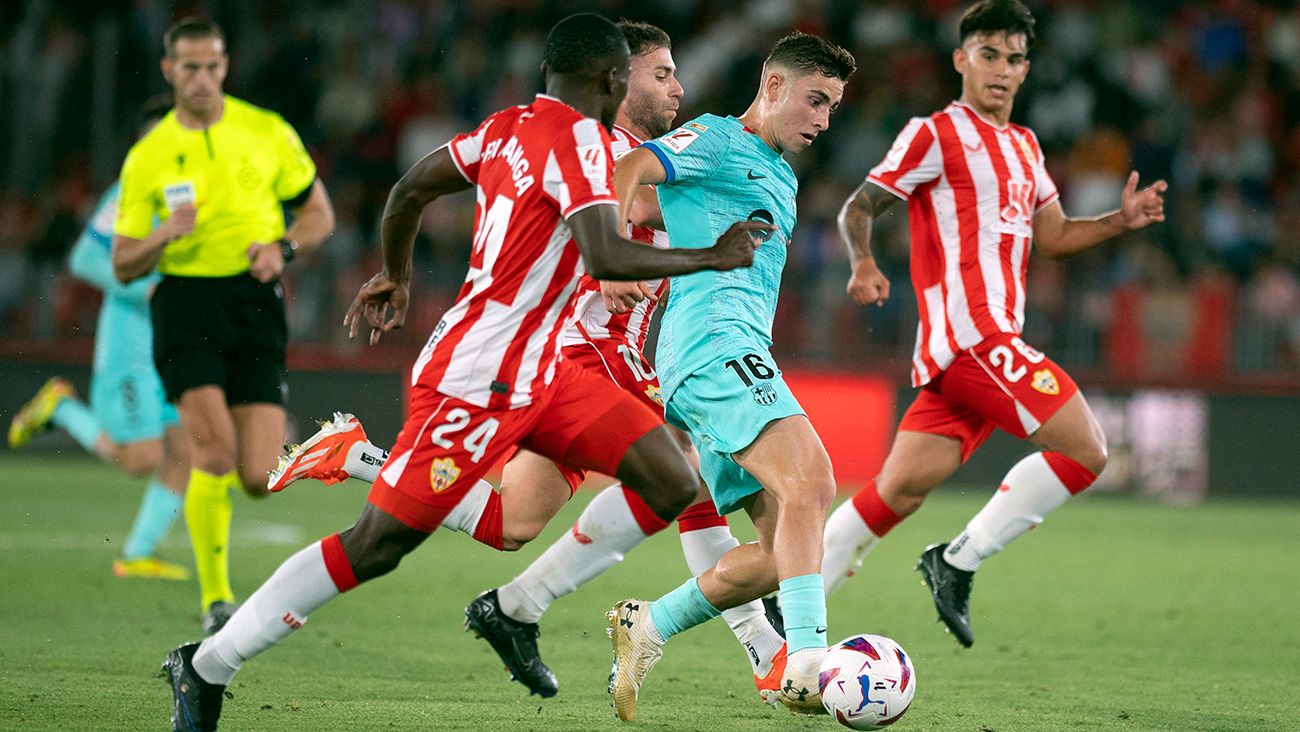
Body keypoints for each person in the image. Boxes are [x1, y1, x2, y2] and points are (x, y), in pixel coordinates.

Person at [160, 13, 768, 731]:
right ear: (611, 81)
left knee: (669, 476)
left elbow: (410, 190)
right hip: (474, 382)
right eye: (654, 74)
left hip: (547, 373)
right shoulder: (584, 144)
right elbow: (607, 256)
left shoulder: (505, 127)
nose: (671, 87)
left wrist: (394, 273)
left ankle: (518, 609)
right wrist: (711, 255)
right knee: (375, 547)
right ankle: (206, 665)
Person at [821, 0, 1167, 648]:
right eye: (987, 56)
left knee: (896, 490)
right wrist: (863, 260)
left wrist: (1119, 221)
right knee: (1087, 449)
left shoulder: (1025, 145)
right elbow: (859, 205)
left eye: (1012, 59)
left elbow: (1055, 237)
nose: (1001, 70)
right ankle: (956, 560)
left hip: (978, 352)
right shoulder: (935, 134)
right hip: (973, 341)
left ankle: (793, 603)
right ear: (961, 60)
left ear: (1026, 68)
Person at [603, 31, 856, 721]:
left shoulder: (783, 176)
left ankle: (647, 625)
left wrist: (647, 222)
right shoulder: (714, 139)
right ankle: (806, 662)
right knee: (815, 482)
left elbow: (662, 209)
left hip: (731, 353)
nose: (822, 120)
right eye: (814, 100)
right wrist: (611, 253)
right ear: (772, 87)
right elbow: (629, 169)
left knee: (782, 555)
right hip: (715, 345)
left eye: (832, 107)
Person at [111, 18, 336, 634]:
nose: (202, 79)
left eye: (212, 66)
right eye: (189, 68)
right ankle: (218, 601)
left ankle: (326, 452)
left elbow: (319, 214)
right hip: (184, 303)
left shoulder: (265, 132)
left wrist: (283, 250)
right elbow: (122, 263)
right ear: (168, 71)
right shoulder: (149, 156)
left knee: (259, 476)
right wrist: (161, 234)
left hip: (254, 301)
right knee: (210, 448)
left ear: (225, 65)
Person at [7, 96, 191, 581]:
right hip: (131, 343)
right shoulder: (128, 192)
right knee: (143, 459)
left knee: (185, 451)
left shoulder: (184, 193)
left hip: (174, 343)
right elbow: (84, 260)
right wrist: (146, 288)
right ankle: (61, 407)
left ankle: (136, 554)